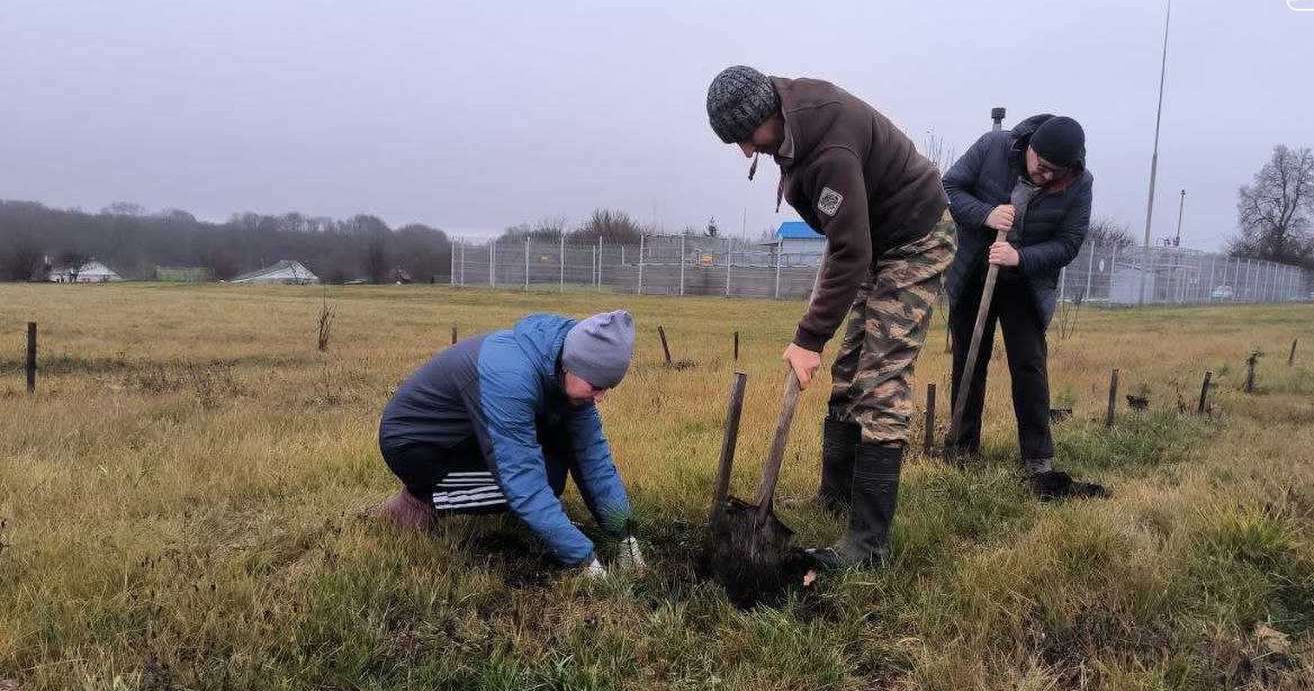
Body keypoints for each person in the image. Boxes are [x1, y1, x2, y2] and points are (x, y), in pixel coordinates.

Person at [706, 65, 956, 571]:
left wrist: (808, 338)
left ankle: (867, 546)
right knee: (849, 372)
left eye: (746, 139)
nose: (747, 152)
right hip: (873, 242)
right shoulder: (784, 114)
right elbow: (849, 244)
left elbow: (850, 251)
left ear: (768, 114)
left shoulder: (829, 151)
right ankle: (835, 497)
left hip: (914, 239)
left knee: (880, 380)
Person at [374, 310, 644, 578]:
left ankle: (536, 516)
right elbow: (522, 479)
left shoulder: (568, 375)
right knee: (532, 482)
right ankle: (421, 500)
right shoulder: (511, 377)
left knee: (551, 473)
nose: (600, 397)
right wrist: (584, 560)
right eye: (596, 386)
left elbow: (593, 460)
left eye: (607, 388)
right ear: (573, 364)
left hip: (470, 436)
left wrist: (624, 535)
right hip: (418, 445)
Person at [941, 114, 1093, 474]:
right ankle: (963, 449)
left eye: (1058, 171)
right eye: (1042, 166)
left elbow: (1069, 243)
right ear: (1029, 148)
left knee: (1028, 364)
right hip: (974, 273)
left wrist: (1019, 257)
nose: (1049, 176)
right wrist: (987, 214)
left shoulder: (1079, 183)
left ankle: (1037, 457)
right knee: (970, 358)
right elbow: (948, 189)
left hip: (1026, 281)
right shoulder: (993, 147)